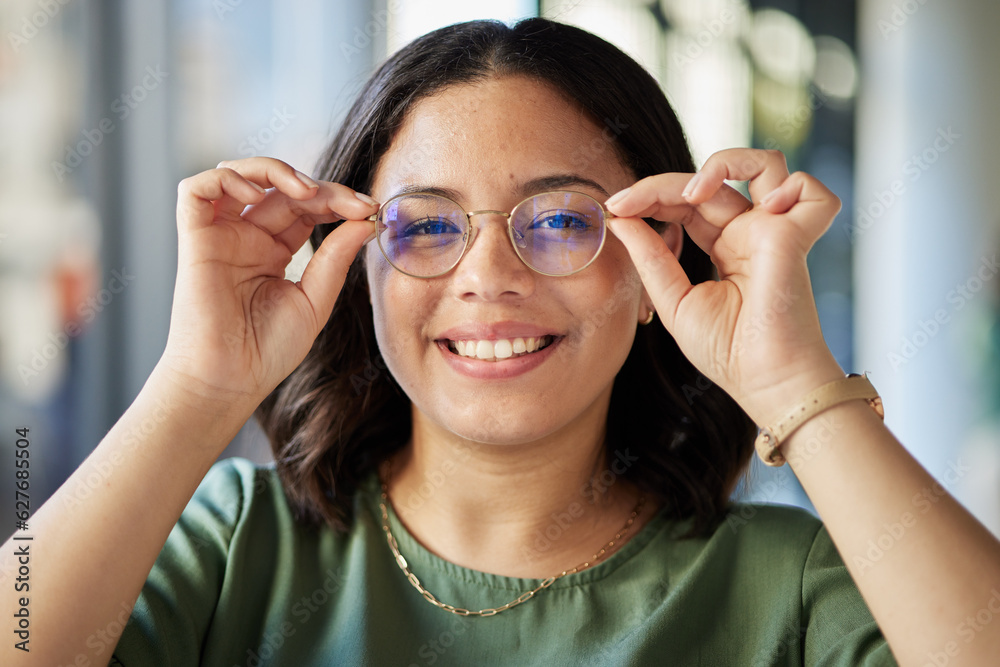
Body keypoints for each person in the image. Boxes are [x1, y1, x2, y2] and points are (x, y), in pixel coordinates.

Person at [3, 17, 999, 667]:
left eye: (560, 221)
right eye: (426, 225)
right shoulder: (237, 546)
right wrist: (194, 387)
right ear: (358, 267)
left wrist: (792, 378)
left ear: (656, 265)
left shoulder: (787, 585)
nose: (488, 275)